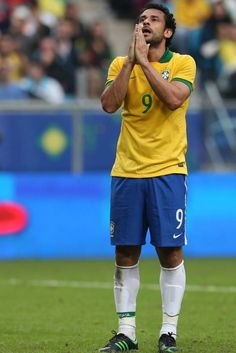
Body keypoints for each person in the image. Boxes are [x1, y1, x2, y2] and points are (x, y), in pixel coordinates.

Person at [100, 2, 196, 353]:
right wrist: (130, 62)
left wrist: (146, 64)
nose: (145, 23)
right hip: (126, 170)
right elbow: (110, 104)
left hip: (168, 170)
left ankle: (168, 332)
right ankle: (126, 332)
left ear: (167, 32)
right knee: (126, 250)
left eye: (153, 19)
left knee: (170, 251)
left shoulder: (183, 63)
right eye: (141, 19)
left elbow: (173, 100)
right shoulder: (119, 64)